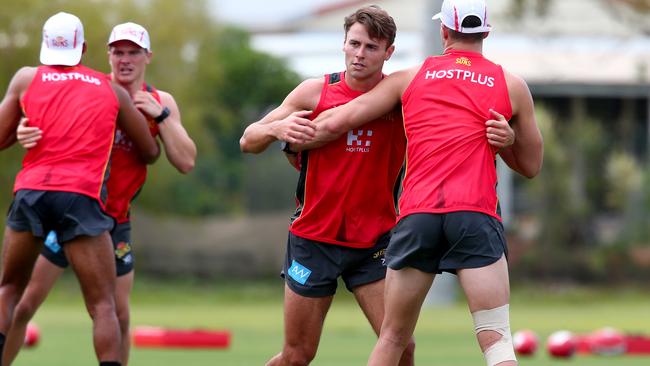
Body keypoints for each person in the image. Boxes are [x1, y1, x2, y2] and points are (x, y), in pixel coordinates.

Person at [305, 1, 544, 365]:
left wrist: (275, 128)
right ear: (486, 32)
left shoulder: (410, 77)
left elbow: (337, 121)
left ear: (444, 32)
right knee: (496, 341)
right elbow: (531, 166)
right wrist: (507, 141)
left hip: (418, 217)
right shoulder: (511, 85)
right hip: (475, 215)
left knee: (392, 338)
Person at [2, 22, 196, 366]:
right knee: (26, 302)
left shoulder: (160, 100)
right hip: (75, 206)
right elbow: (44, 117)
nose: (124, 59)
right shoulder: (88, 86)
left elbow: (185, 162)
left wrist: (161, 117)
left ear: (147, 56)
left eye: (133, 52)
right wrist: (21, 128)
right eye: (117, 51)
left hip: (113, 221)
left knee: (118, 312)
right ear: (106, 54)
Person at [239, 6, 417, 366]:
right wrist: (277, 129)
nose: (359, 54)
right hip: (313, 241)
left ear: (389, 52)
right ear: (343, 43)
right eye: (354, 44)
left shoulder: (400, 98)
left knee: (402, 348)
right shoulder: (314, 92)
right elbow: (248, 139)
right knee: (297, 355)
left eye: (371, 47)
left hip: (374, 243)